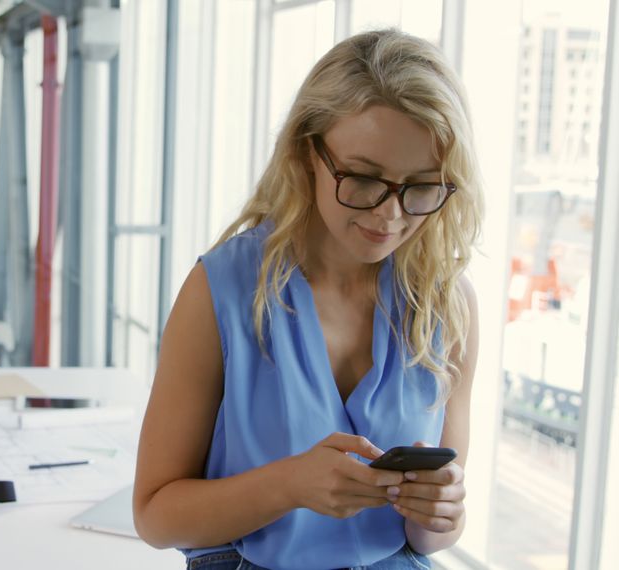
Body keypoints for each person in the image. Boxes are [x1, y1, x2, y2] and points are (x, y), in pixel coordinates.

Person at [133, 29, 482, 570]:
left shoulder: (448, 305)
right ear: (306, 154)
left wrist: (442, 513)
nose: (390, 216)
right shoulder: (221, 290)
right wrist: (289, 485)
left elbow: (427, 538)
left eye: (421, 186)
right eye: (364, 179)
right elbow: (155, 516)